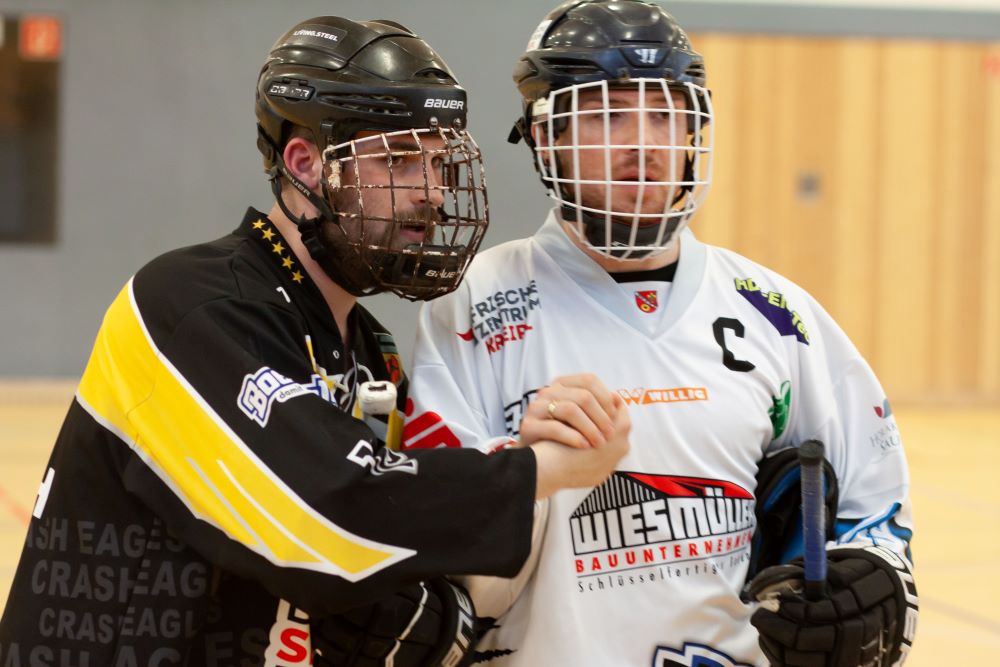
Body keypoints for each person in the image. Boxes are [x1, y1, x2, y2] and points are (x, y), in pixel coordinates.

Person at [0, 16, 632, 667]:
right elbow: (323, 515)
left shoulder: (369, 350)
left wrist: (514, 454)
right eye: (398, 159)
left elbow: (386, 548)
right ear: (305, 164)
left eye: (439, 162)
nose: (433, 194)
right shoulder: (187, 307)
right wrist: (536, 471)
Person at [406, 1, 919, 665]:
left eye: (665, 113)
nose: (643, 143)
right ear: (545, 137)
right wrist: (519, 468)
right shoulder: (470, 306)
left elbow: (872, 499)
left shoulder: (775, 312)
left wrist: (868, 592)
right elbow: (442, 563)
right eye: (607, 114)